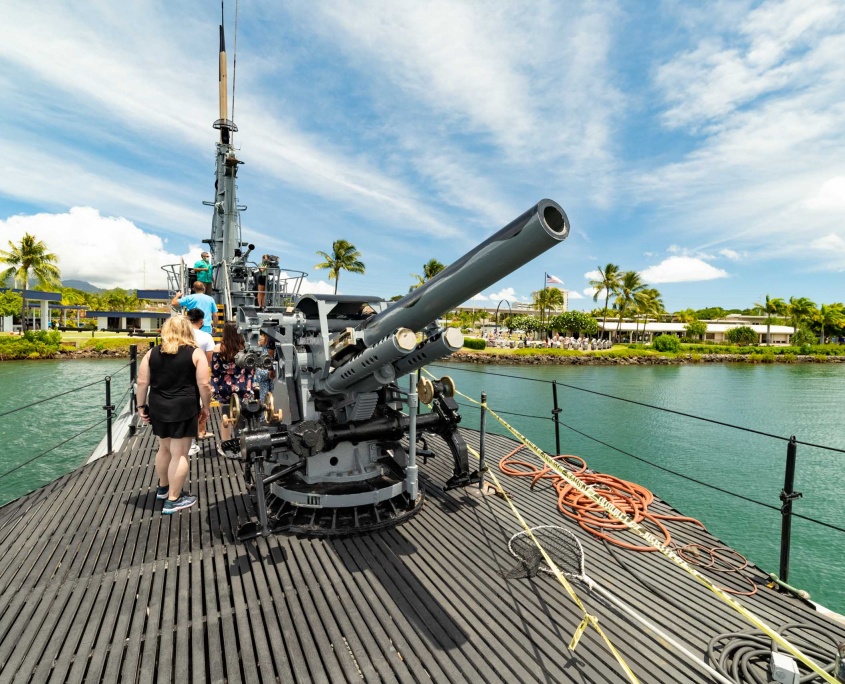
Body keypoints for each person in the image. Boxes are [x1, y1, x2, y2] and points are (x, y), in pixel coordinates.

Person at [135, 316, 212, 514]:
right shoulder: (195, 353)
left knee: (164, 449)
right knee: (180, 454)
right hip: (184, 407)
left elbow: (142, 383)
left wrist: (141, 406)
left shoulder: (151, 353)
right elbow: (204, 384)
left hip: (159, 406)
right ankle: (173, 499)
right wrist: (206, 407)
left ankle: (163, 487)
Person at [211, 322, 254, 448]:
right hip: (242, 386)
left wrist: (215, 388)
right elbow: (250, 369)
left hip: (224, 386)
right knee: (242, 415)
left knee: (226, 417)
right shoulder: (244, 348)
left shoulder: (218, 348)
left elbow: (215, 371)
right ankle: (242, 443)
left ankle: (226, 444)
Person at [187, 308, 215, 442]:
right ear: (201, 320)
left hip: (183, 372)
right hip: (200, 370)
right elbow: (210, 358)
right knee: (202, 401)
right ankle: (201, 431)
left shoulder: (183, 335)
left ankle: (189, 433)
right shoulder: (206, 336)